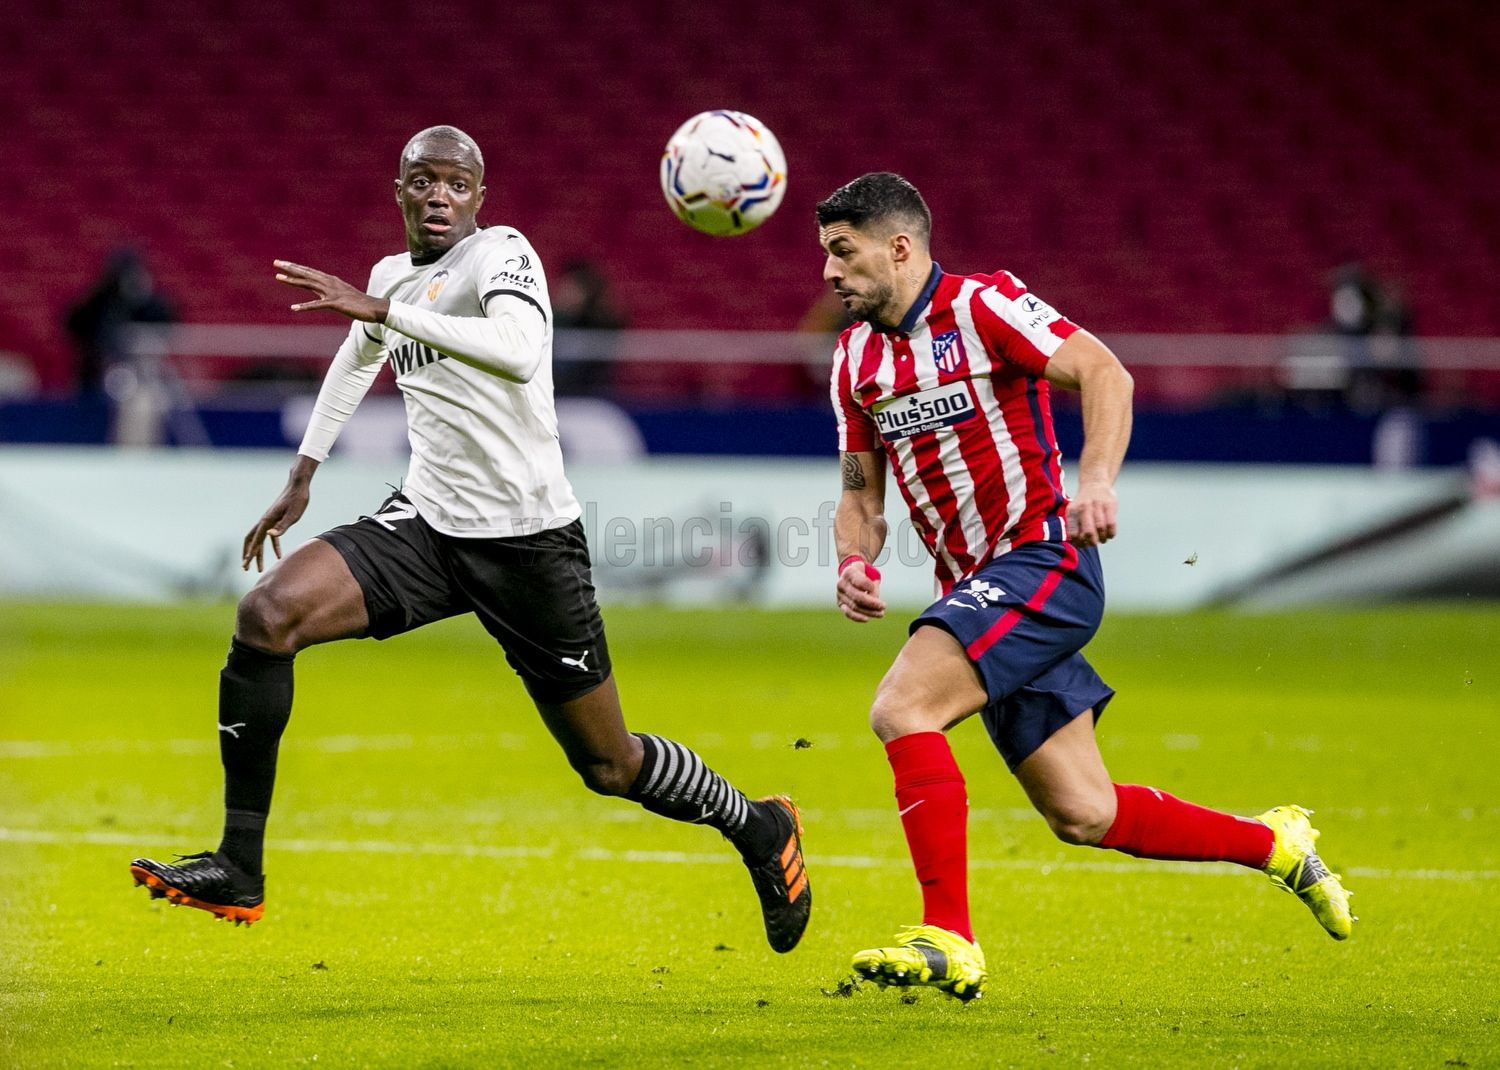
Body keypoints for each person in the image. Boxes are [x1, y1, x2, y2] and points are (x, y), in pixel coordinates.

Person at [129, 126, 810, 955]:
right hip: (426, 522)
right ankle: (239, 865)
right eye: (424, 181)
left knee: (608, 765)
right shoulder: (390, 276)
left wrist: (388, 309)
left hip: (527, 542)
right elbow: (356, 358)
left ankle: (761, 826)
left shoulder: (503, 257)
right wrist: (305, 469)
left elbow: (522, 354)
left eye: (457, 183)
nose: (440, 195)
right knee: (267, 617)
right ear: (401, 191)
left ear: (479, 198)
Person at [818, 173, 1352, 1001]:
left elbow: (1106, 373)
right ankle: (1276, 845)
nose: (829, 272)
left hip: (1041, 561)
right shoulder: (854, 360)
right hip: (977, 591)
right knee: (1084, 812)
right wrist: (853, 559)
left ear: (900, 246)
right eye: (826, 254)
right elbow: (859, 491)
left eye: (843, 252)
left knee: (902, 707)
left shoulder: (984, 306)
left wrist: (1096, 479)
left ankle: (948, 937)